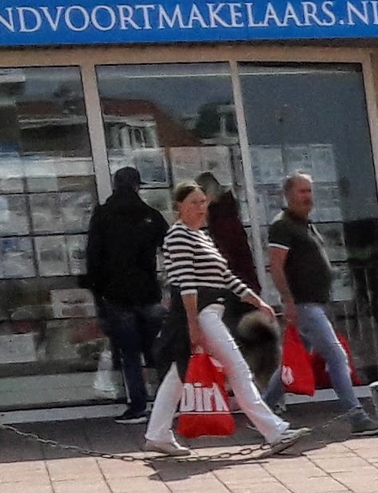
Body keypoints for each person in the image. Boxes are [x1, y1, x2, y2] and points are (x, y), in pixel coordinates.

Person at [142, 181, 305, 458]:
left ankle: (157, 434)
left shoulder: (201, 236)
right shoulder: (178, 236)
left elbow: (225, 276)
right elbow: (185, 284)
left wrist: (256, 300)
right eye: (194, 202)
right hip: (201, 313)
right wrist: (193, 323)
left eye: (204, 202)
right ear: (179, 206)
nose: (201, 208)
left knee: (178, 375)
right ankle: (275, 431)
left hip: (209, 311)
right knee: (239, 370)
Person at [268, 171, 377, 433]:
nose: (307, 197)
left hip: (316, 303)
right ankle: (357, 417)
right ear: (288, 195)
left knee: (293, 362)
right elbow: (276, 265)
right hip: (304, 304)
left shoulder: (305, 224)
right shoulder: (282, 225)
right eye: (301, 191)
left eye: (309, 191)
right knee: (337, 356)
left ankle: (262, 408)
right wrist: (288, 300)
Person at [81, 167, 168, 423]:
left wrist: (98, 295)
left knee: (129, 354)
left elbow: (93, 258)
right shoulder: (150, 215)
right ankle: (166, 402)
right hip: (148, 292)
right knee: (158, 350)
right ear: (137, 186)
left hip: (117, 295)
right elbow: (170, 247)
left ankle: (138, 405)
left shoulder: (103, 216)